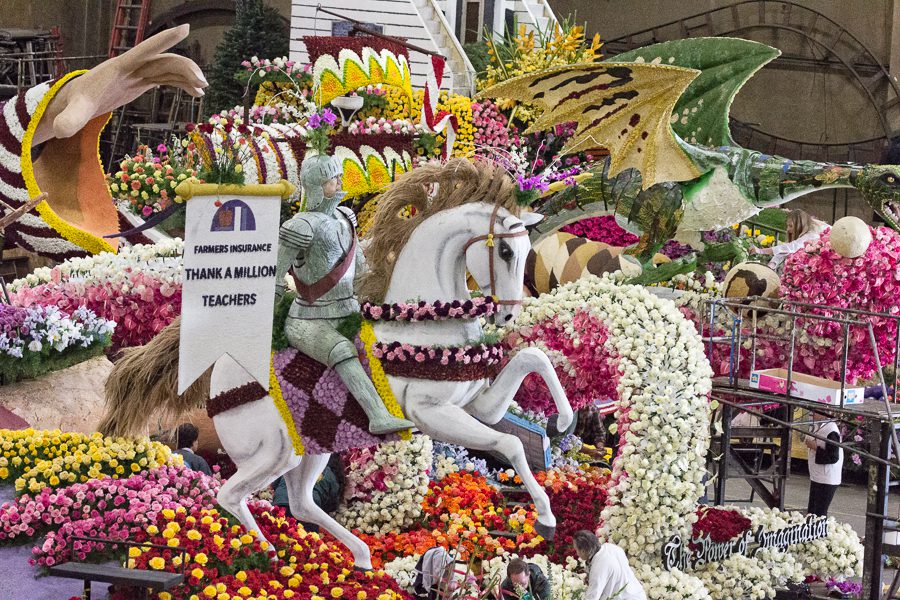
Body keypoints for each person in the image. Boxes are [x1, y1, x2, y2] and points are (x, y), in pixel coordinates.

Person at [274, 152, 413, 435]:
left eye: (338, 177)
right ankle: (378, 416)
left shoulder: (346, 216)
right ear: (316, 185)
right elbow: (275, 273)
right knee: (341, 350)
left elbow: (360, 267)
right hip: (308, 318)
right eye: (331, 179)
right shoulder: (300, 226)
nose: (339, 182)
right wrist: (269, 317)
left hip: (350, 309)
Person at [272, 454, 345, 532]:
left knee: (273, 532)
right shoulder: (329, 475)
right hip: (308, 512)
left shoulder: (296, 464)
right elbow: (333, 503)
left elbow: (275, 482)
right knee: (303, 537)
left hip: (280, 504)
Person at [573, 530, 646, 600]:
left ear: (583, 551)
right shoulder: (611, 547)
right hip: (638, 594)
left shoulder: (598, 567)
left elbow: (592, 597)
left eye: (576, 550)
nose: (577, 553)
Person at [749, 209, 828, 271]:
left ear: (799, 225)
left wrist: (761, 251)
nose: (788, 229)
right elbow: (784, 252)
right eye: (787, 226)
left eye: (790, 226)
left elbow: (790, 247)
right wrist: (770, 266)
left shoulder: (812, 234)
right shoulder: (804, 232)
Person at [805, 410, 843, 517]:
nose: (812, 413)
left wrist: (815, 447)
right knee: (811, 512)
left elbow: (833, 456)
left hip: (827, 478)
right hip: (817, 476)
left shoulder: (831, 430)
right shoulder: (820, 426)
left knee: (819, 513)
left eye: (815, 411)